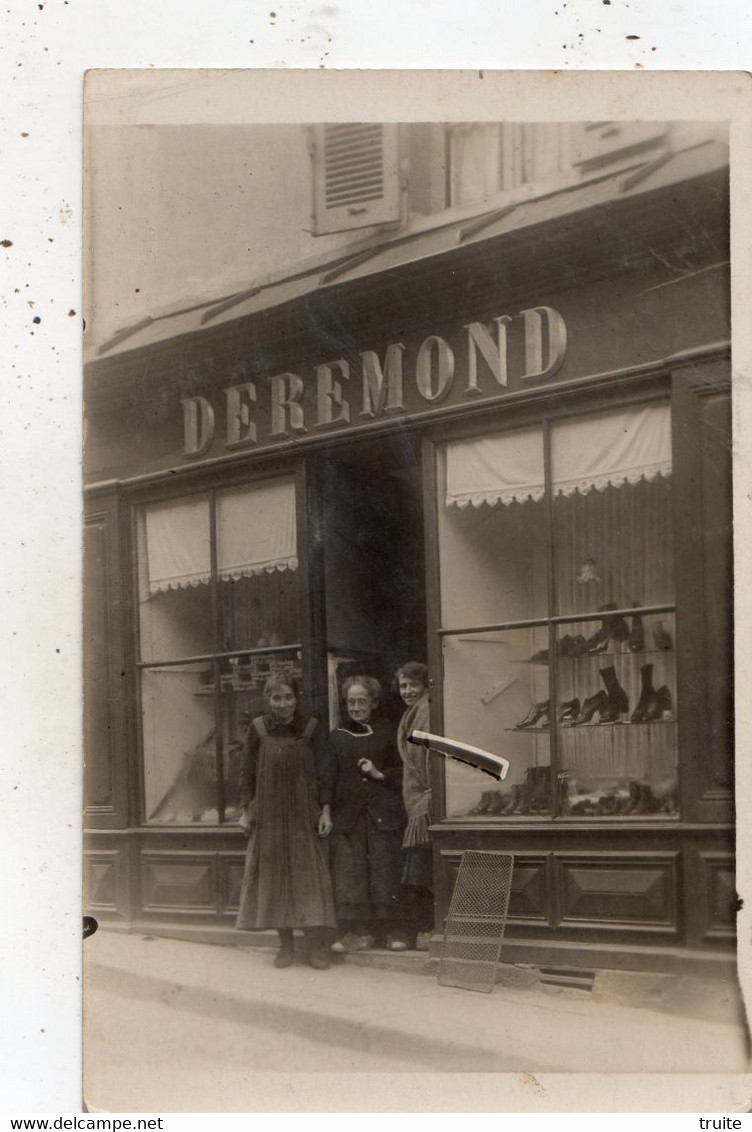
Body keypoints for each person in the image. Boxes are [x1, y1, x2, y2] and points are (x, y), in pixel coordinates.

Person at [236, 673, 336, 970]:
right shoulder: (257, 729)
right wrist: (245, 810)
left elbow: (326, 772)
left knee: (309, 881)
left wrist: (326, 811)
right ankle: (286, 946)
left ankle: (314, 946)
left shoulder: (312, 728)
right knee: (275, 879)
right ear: (268, 700)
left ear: (297, 698)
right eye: (276, 698)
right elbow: (246, 773)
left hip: (305, 815)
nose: (282, 704)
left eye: (288, 697)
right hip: (269, 816)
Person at [322, 675, 408, 954]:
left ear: (374, 702)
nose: (356, 707)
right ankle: (359, 933)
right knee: (352, 875)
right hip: (349, 819)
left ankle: (391, 932)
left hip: (383, 816)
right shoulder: (336, 737)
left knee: (385, 871)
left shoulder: (388, 732)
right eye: (351, 702)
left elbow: (405, 771)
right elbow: (327, 777)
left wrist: (379, 774)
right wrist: (325, 810)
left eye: (362, 701)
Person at [394, 661, 435, 950]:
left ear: (424, 686)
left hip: (425, 800)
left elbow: (426, 757)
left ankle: (427, 930)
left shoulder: (425, 712)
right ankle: (424, 930)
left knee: (423, 870)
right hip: (417, 798)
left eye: (412, 685)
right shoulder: (415, 711)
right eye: (402, 685)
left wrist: (428, 792)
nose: (407, 691)